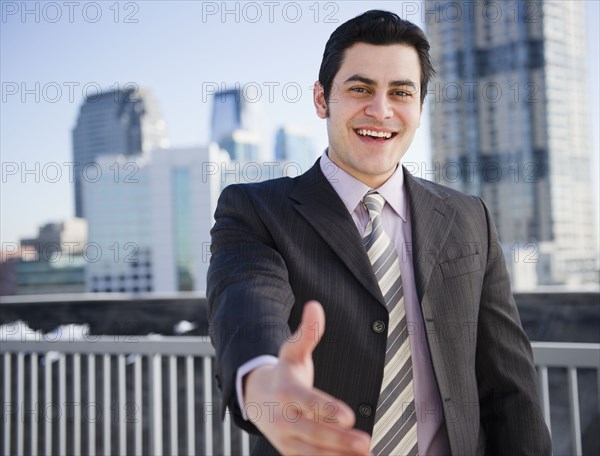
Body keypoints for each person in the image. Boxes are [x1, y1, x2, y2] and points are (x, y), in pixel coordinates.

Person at [207, 10, 552, 456]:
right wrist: (261, 376)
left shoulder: (470, 218)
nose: (381, 110)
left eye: (401, 93)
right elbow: (246, 304)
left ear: (420, 109)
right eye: (360, 88)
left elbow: (511, 387)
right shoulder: (256, 210)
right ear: (320, 99)